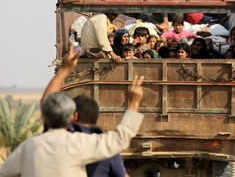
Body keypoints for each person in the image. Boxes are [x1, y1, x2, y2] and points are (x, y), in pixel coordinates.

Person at [0, 43, 144, 177]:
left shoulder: (29, 147)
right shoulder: (80, 143)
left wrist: (64, 69)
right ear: (72, 117)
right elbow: (120, 139)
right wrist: (133, 104)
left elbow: (5, 172)